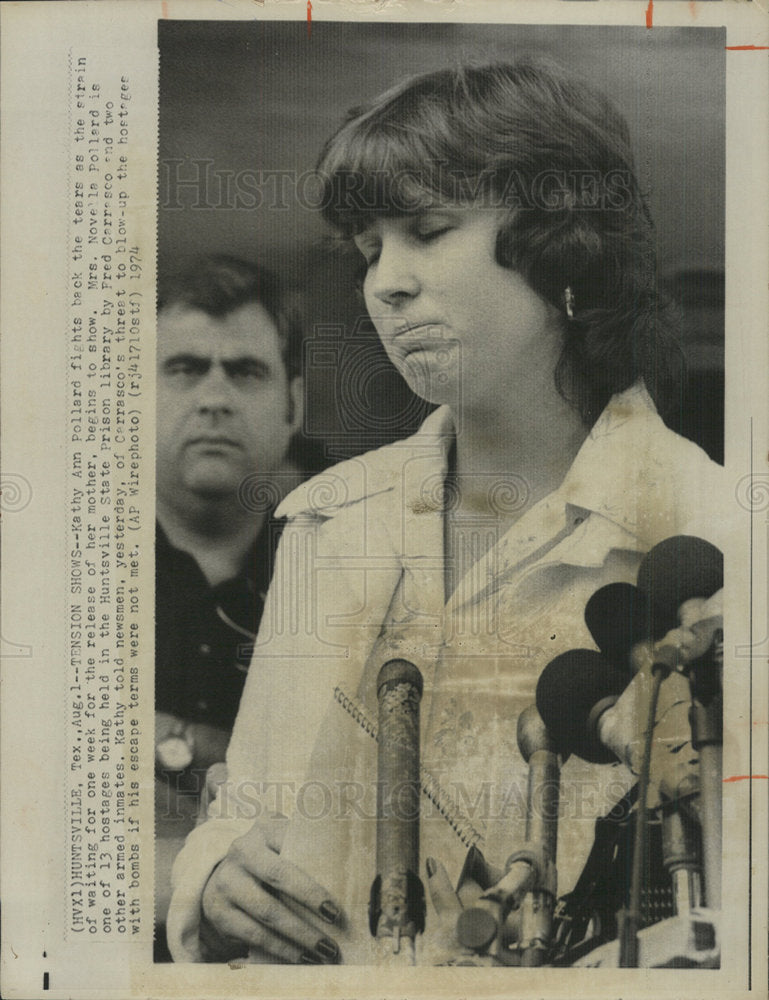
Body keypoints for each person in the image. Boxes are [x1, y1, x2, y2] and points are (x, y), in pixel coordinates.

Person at [167, 62, 725, 966]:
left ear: (563, 246)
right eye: (367, 248)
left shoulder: (715, 533)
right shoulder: (324, 519)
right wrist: (214, 873)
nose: (386, 282)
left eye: (427, 231)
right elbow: (246, 807)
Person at [154, 255, 305, 953]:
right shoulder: (43, 562)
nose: (213, 396)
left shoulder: (353, 566)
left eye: (245, 371)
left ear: (293, 406)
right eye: (183, 368)